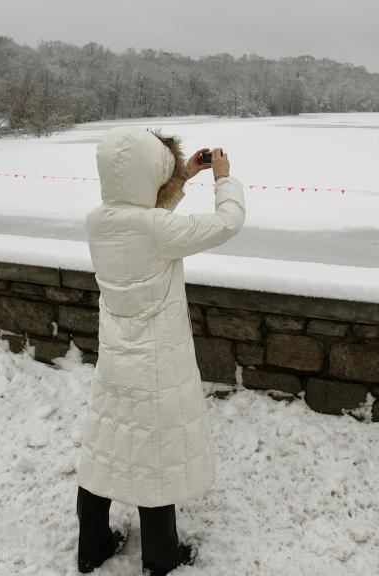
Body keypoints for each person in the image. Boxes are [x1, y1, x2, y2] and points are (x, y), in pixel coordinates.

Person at [76, 126, 246, 575]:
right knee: (154, 451)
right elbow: (225, 224)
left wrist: (183, 180)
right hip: (154, 361)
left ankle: (92, 546)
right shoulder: (154, 228)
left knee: (106, 445)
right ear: (150, 173)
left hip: (116, 357)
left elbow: (147, 223)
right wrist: (223, 180)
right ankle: (161, 558)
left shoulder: (99, 220)